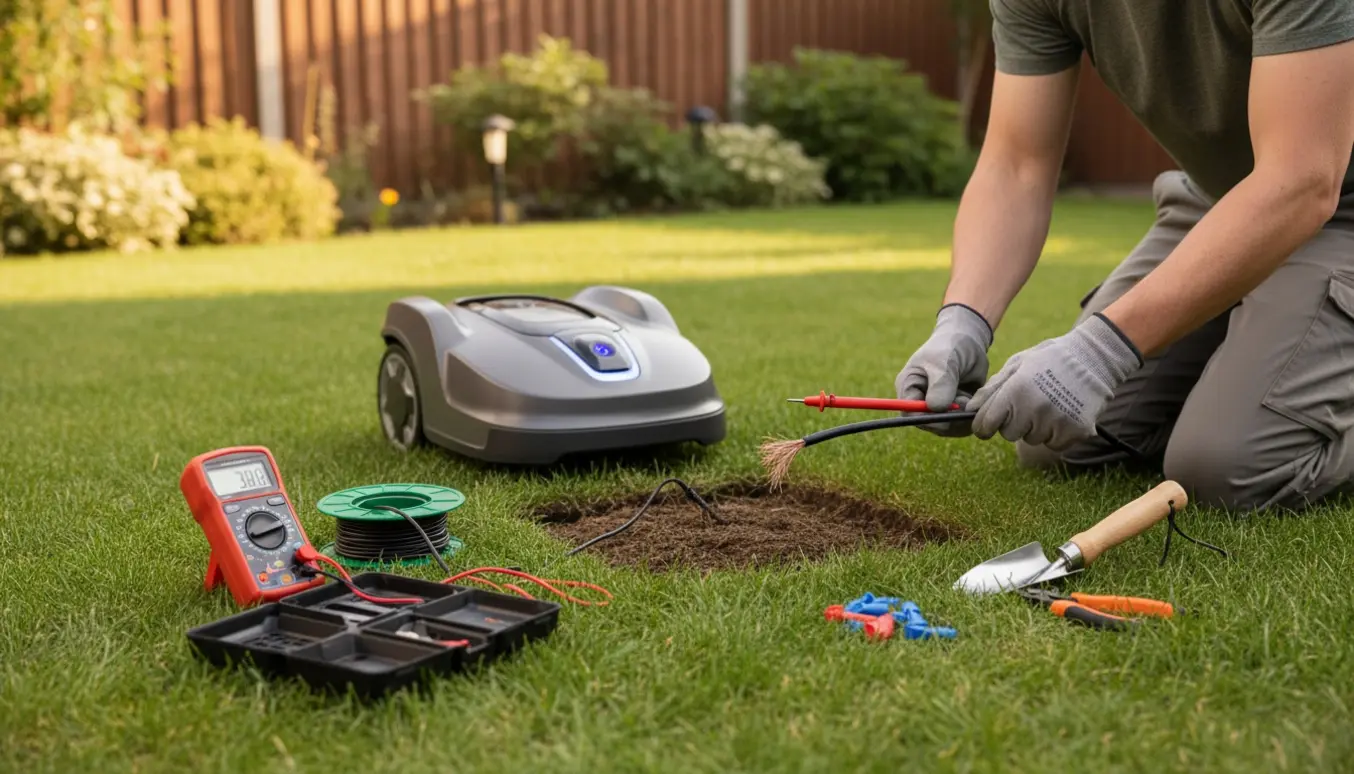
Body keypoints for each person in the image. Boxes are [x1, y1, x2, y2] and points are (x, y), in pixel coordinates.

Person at [895, 1, 1354, 511]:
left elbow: (1303, 179)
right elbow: (1017, 163)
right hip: (1219, 200)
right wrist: (963, 323)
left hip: (1335, 205)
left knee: (1227, 468)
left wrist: (1101, 351)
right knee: (1061, 441)